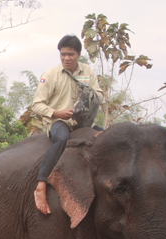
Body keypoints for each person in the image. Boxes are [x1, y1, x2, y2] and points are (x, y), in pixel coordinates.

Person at [31, 35, 103, 214]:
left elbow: (99, 94)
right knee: (61, 138)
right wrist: (57, 113)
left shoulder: (87, 71)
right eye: (63, 54)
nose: (66, 58)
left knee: (105, 137)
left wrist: (90, 97)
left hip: (82, 122)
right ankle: (41, 185)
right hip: (59, 121)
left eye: (70, 54)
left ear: (78, 54)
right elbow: (37, 105)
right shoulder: (50, 75)